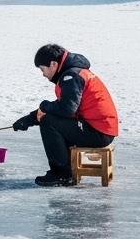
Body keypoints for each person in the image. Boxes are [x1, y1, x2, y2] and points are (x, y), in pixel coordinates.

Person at [11, 44, 119, 187]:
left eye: (42, 69)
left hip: (98, 132)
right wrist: (30, 118)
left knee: (48, 121)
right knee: (51, 119)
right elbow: (65, 107)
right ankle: (65, 171)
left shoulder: (71, 76)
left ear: (54, 64)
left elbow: (67, 109)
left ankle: (61, 174)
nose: (42, 74)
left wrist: (45, 106)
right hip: (99, 128)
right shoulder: (74, 72)